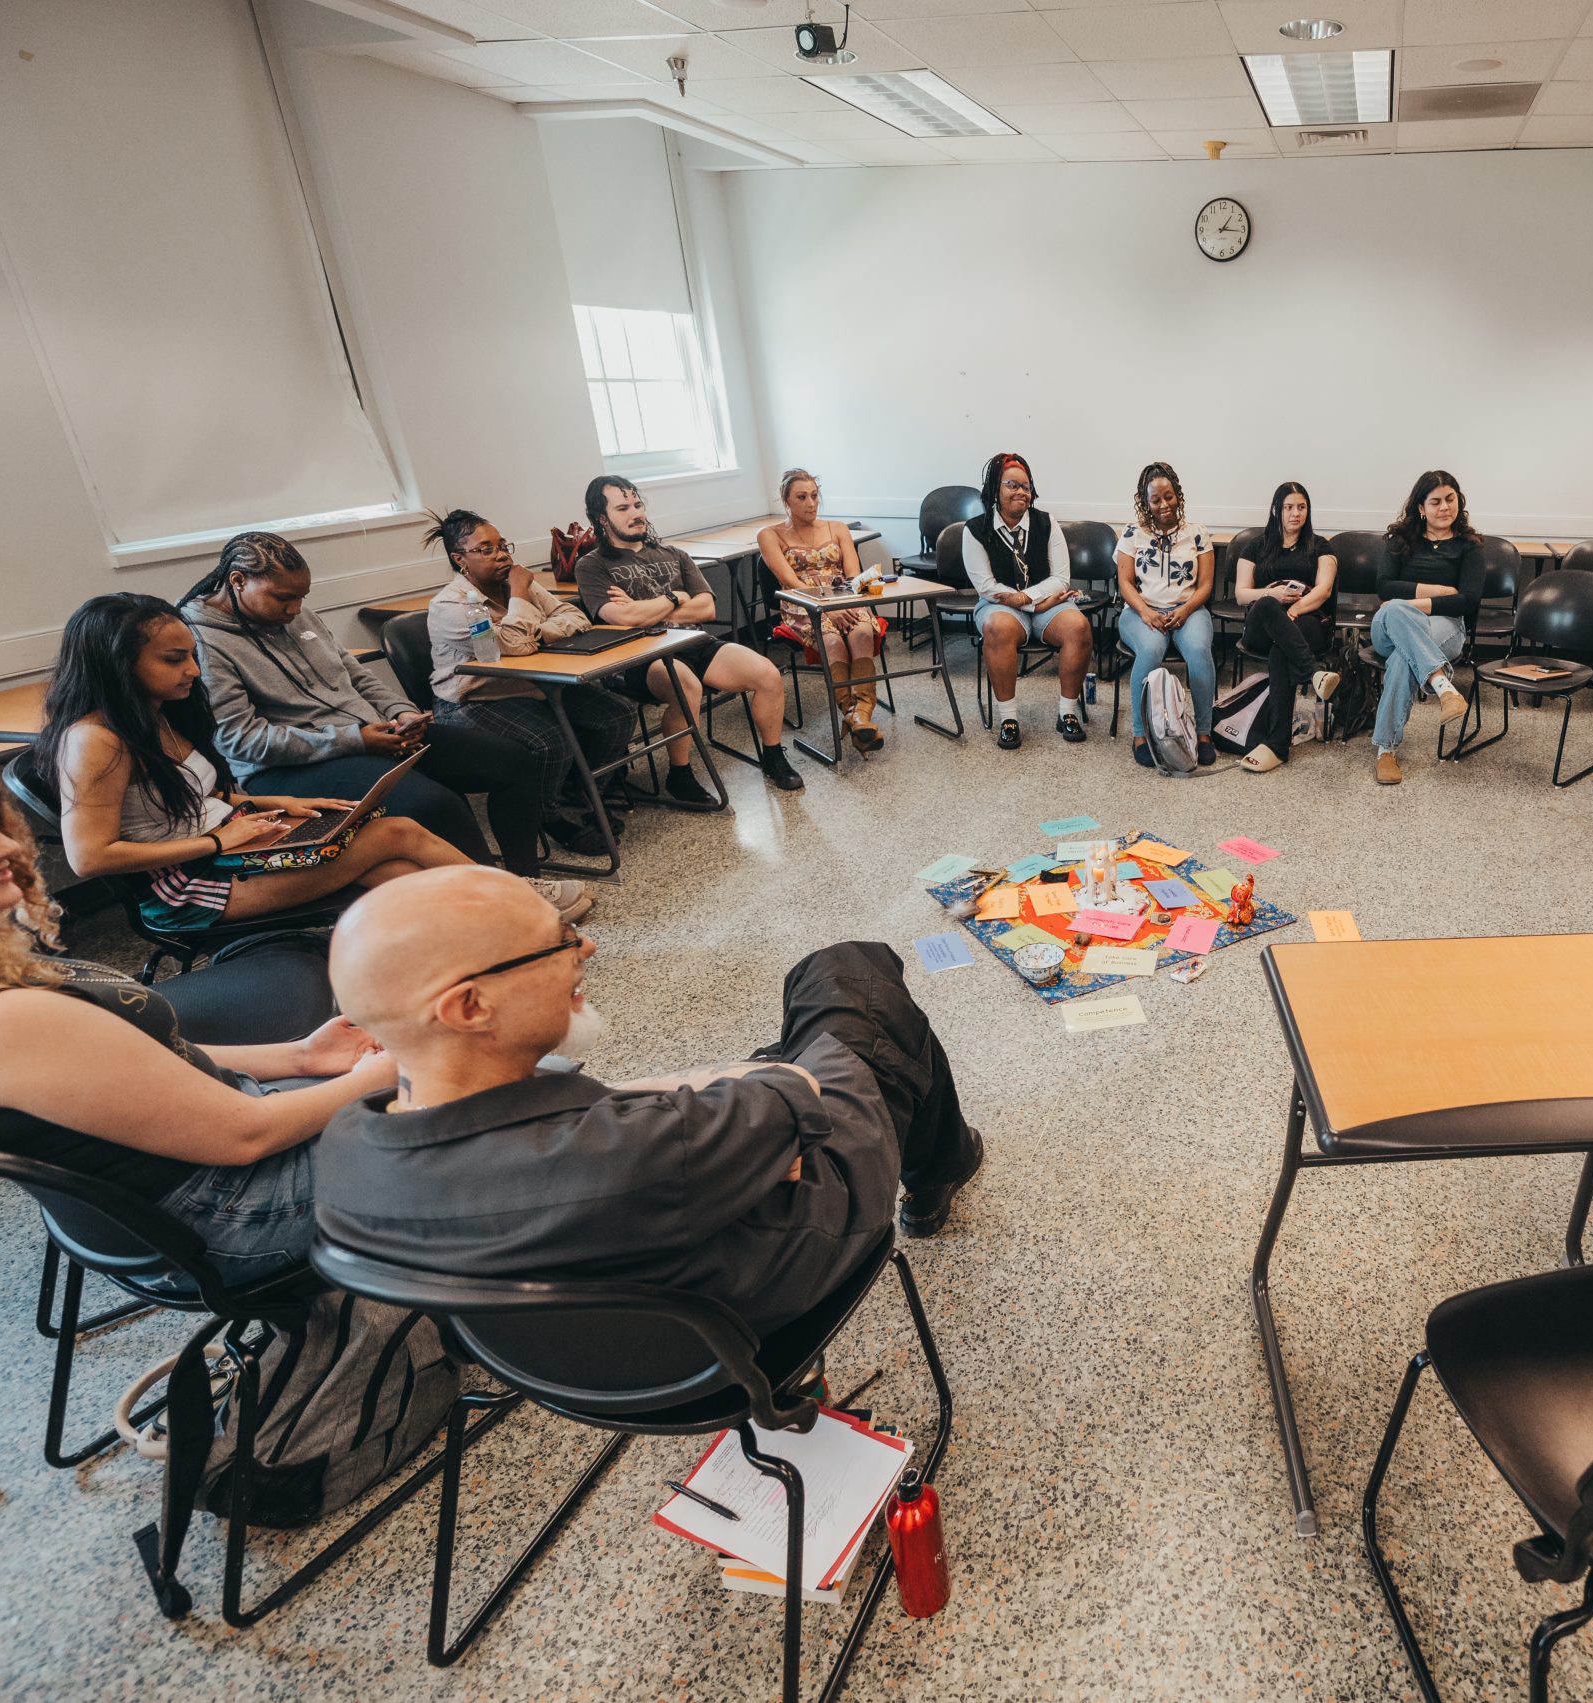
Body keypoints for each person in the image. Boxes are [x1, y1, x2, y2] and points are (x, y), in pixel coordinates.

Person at [313, 868, 989, 1337]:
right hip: (795, 1255)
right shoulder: (646, 1152)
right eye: (558, 942)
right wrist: (736, 1092)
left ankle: (942, 1161)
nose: (586, 944)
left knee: (812, 1034)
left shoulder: (346, 1155)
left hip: (582, 1359)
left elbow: (592, 1113)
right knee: (852, 974)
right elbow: (795, 1093)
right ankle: (935, 1171)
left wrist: (713, 1103)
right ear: (468, 1004)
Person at [0, 737, 395, 1282]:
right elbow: (247, 1135)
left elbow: (125, 1067)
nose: (3, 844)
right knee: (460, 1088)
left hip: (166, 1195)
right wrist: (379, 1077)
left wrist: (303, 1057)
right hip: (233, 1209)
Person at [180, 534, 587, 909]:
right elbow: (240, 740)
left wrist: (401, 713)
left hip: (370, 736)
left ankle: (522, 879)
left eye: (301, 597)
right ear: (237, 581)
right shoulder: (202, 640)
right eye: (283, 598)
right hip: (286, 769)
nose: (295, 609)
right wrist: (355, 739)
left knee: (512, 761)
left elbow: (354, 675)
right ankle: (499, 904)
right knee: (433, 803)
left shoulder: (295, 616)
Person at [42, 594, 482, 935]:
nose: (194, 671)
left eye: (192, 655)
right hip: (187, 888)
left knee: (394, 871)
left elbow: (184, 792)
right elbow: (90, 857)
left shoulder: (152, 711)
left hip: (227, 845)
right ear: (118, 663)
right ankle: (515, 909)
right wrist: (217, 842)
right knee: (396, 834)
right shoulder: (94, 740)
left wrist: (270, 800)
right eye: (174, 660)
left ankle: (489, 937)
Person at [422, 508, 634, 863]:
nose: (502, 554)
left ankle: (585, 793)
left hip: (534, 686)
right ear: (459, 559)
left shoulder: (519, 585)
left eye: (503, 545)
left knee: (618, 715)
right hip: (472, 699)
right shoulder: (450, 606)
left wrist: (536, 631)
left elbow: (575, 617)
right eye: (486, 549)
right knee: (551, 740)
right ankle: (547, 817)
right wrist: (521, 596)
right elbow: (515, 647)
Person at [572, 474, 805, 795]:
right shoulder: (592, 565)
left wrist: (646, 610)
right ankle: (680, 775)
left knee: (767, 674)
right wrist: (674, 598)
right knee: (687, 686)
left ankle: (773, 756)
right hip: (641, 655)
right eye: (623, 508)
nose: (636, 513)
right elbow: (619, 617)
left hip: (694, 642)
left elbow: (707, 608)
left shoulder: (673, 554)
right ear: (602, 518)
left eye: (638, 504)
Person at [962, 452, 1093, 751]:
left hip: (1048, 601)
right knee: (996, 627)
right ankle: (1009, 720)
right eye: (1012, 485)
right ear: (995, 488)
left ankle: (1067, 713)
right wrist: (1033, 604)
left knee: (1078, 626)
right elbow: (986, 586)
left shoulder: (1046, 523)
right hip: (1000, 606)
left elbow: (1061, 577)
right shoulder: (974, 530)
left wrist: (1028, 598)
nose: (1022, 492)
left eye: (1026, 486)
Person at [1368, 470, 1485, 786]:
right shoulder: (1400, 541)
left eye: (1450, 499)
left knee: (1402, 659)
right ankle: (1443, 686)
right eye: (1435, 502)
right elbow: (1383, 586)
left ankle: (1385, 751)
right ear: (1421, 507)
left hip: (1445, 627)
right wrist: (1438, 591)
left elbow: (1468, 601)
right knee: (1394, 612)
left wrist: (1410, 603)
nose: (1445, 507)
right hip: (1389, 625)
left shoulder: (1469, 547)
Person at [757, 469, 885, 752]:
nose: (811, 503)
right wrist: (825, 609)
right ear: (786, 500)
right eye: (801, 497)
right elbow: (790, 581)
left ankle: (859, 715)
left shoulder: (837, 528)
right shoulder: (769, 534)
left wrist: (842, 603)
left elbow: (853, 575)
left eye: (814, 496)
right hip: (802, 602)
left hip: (843, 597)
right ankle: (852, 713)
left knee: (862, 631)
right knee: (831, 639)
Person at [1232, 481, 1343, 773]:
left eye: (1301, 507)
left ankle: (1277, 746)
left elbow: (1324, 591)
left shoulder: (1321, 546)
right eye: (1289, 507)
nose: (1296, 513)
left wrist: (1294, 608)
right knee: (1268, 605)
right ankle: (1314, 671)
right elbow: (1242, 594)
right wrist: (1273, 595)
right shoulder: (1255, 546)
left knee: (1283, 649)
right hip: (1261, 623)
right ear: (1275, 510)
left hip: (1306, 619)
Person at [1115, 462, 1217, 768]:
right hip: (1140, 612)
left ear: (1178, 495)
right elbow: (1124, 583)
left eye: (1168, 496)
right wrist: (1145, 612)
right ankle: (1140, 736)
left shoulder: (1197, 533)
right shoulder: (1132, 533)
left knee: (1199, 651)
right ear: (1144, 501)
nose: (1163, 505)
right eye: (1155, 499)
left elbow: (1206, 585)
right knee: (1151, 650)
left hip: (1189, 610)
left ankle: (1202, 734)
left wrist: (1185, 611)